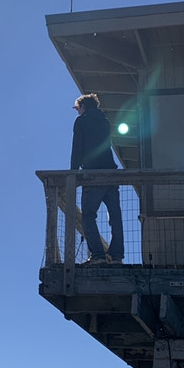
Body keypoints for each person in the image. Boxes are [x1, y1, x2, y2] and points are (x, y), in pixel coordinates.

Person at [70, 93, 124, 264]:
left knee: (88, 215)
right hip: (111, 172)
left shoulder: (82, 121)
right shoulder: (105, 122)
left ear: (83, 107)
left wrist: (73, 172)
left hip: (93, 174)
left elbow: (78, 147)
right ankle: (117, 256)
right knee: (115, 215)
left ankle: (98, 255)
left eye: (78, 109)